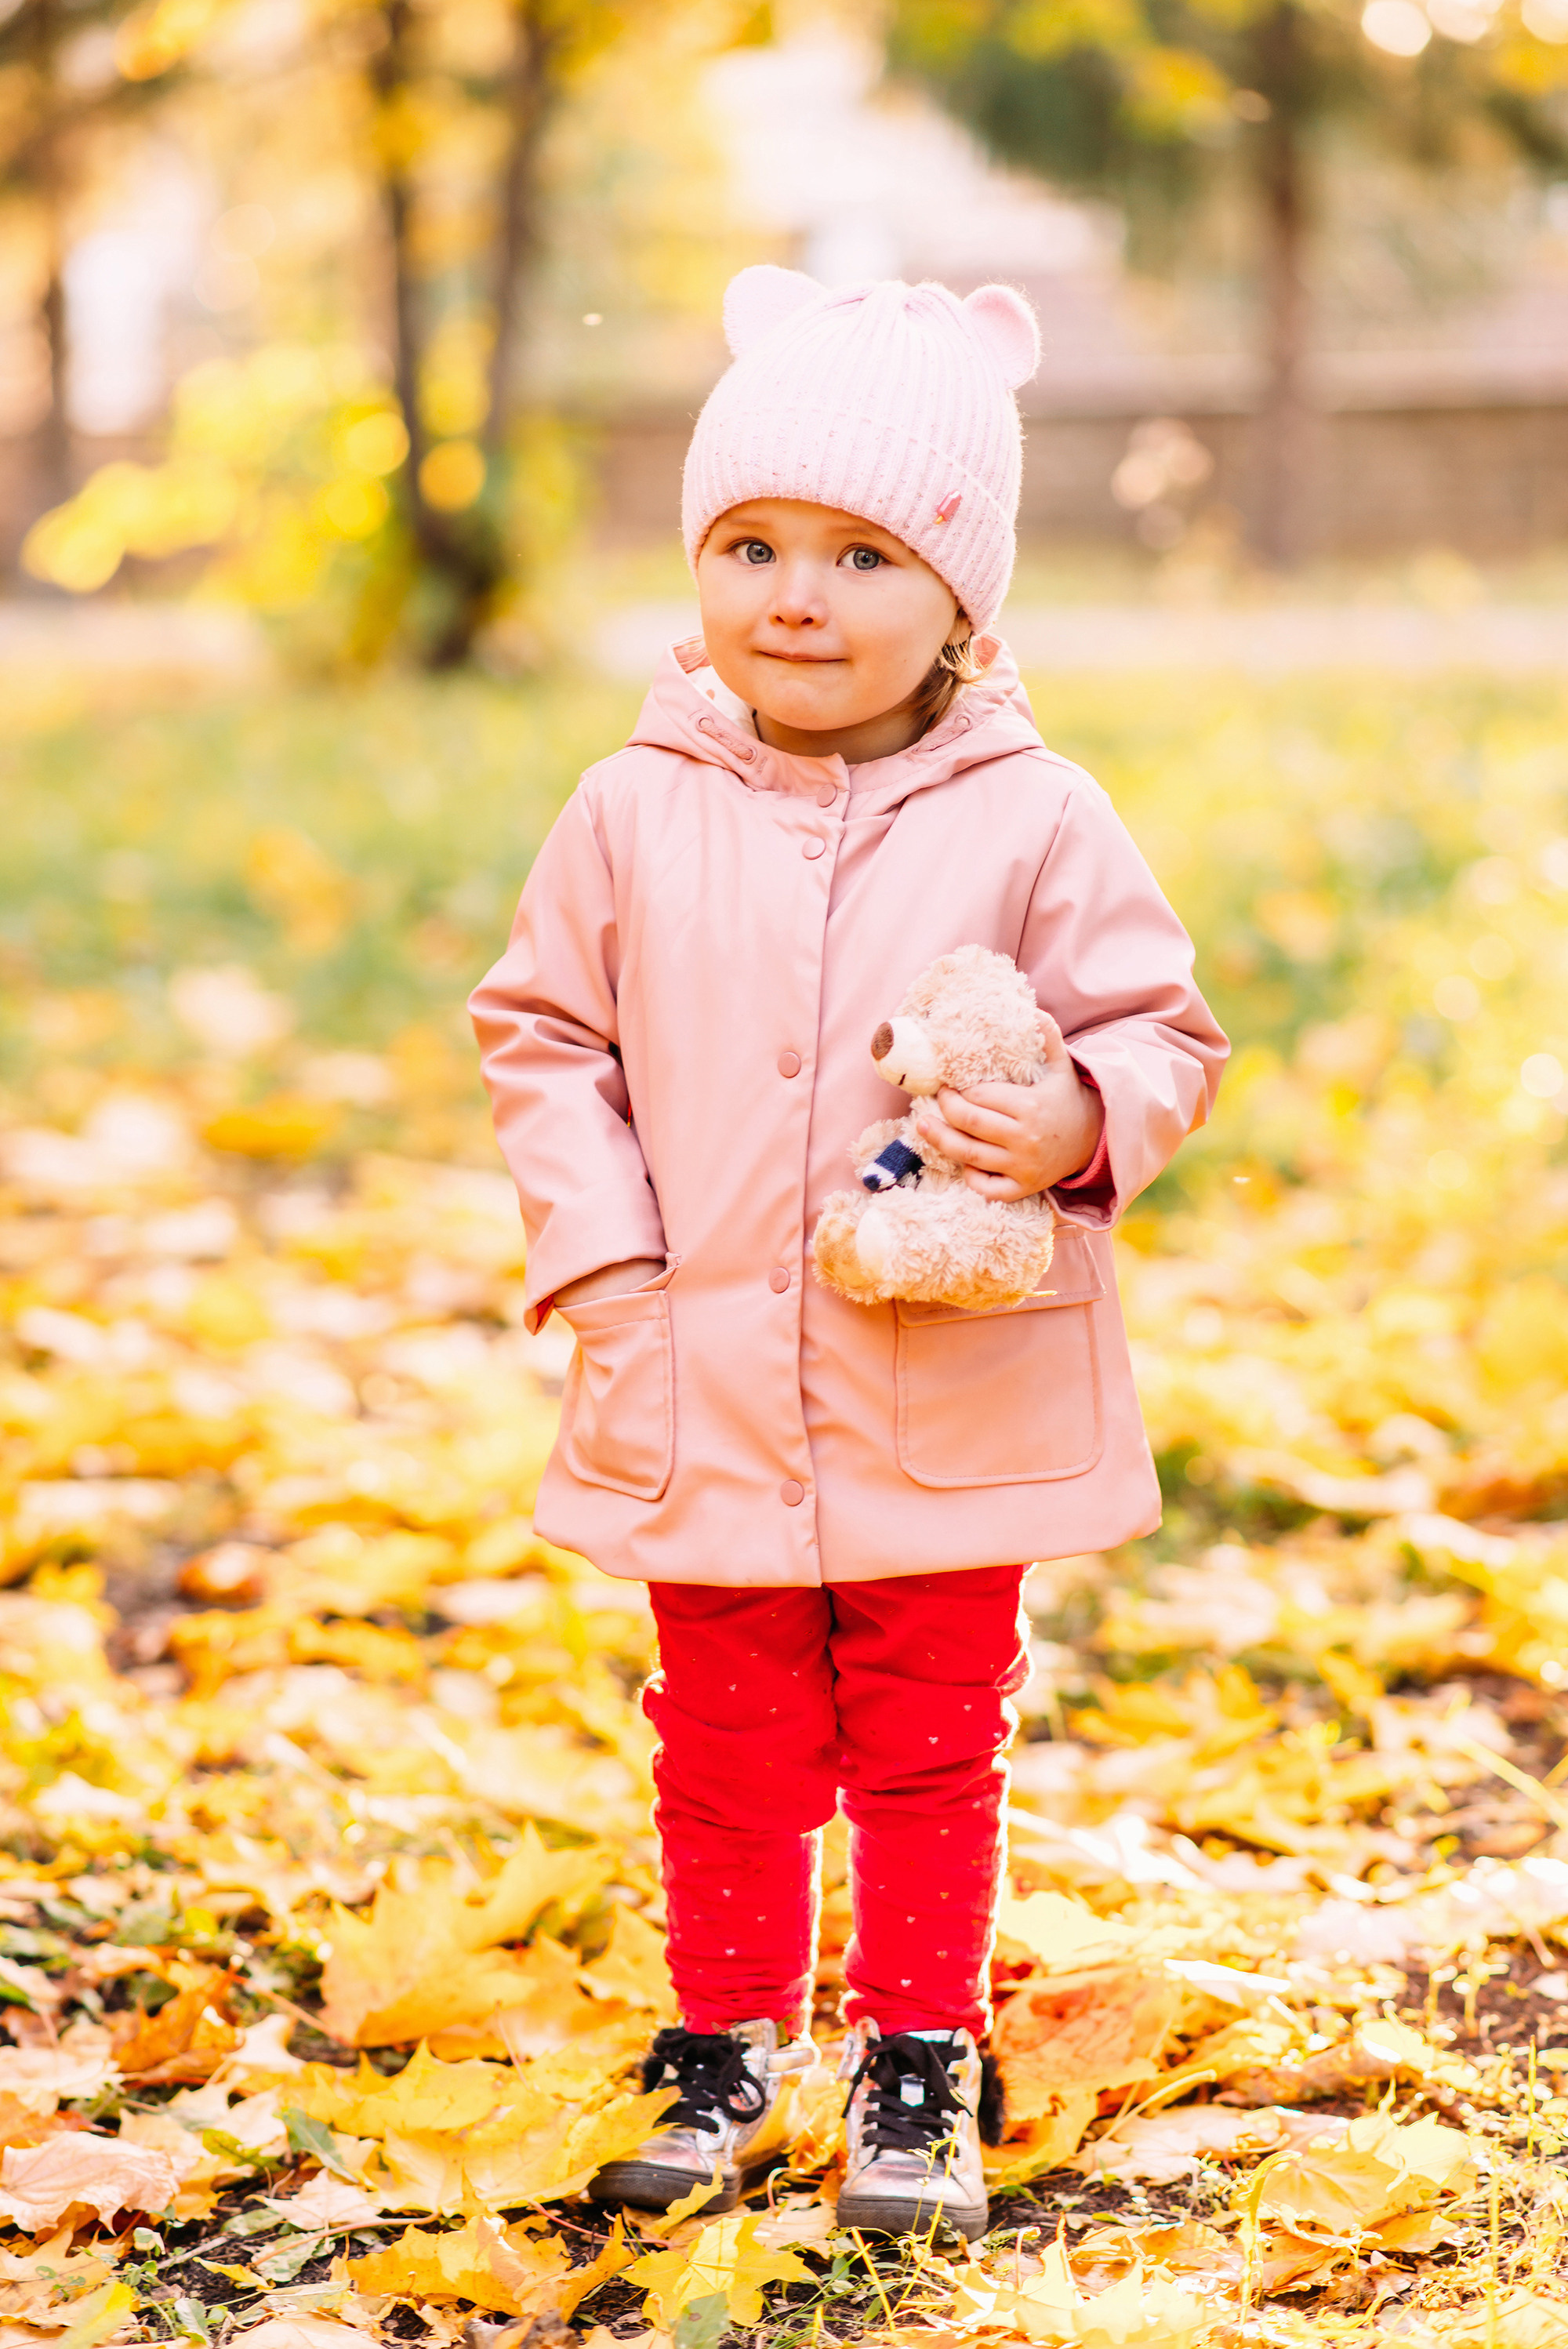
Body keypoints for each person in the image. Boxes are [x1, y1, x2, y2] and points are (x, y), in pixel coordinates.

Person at [470, 266, 1228, 2242]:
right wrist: (604, 1265)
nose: (794, 598)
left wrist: (1078, 1122)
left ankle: (917, 2052)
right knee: (723, 1726)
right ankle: (724, 2034)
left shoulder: (1037, 817)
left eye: (861, 555)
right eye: (751, 546)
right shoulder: (630, 811)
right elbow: (542, 1036)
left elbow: (1159, 1028)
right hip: (702, 1357)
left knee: (929, 1727)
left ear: (961, 597)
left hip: (944, 1365)